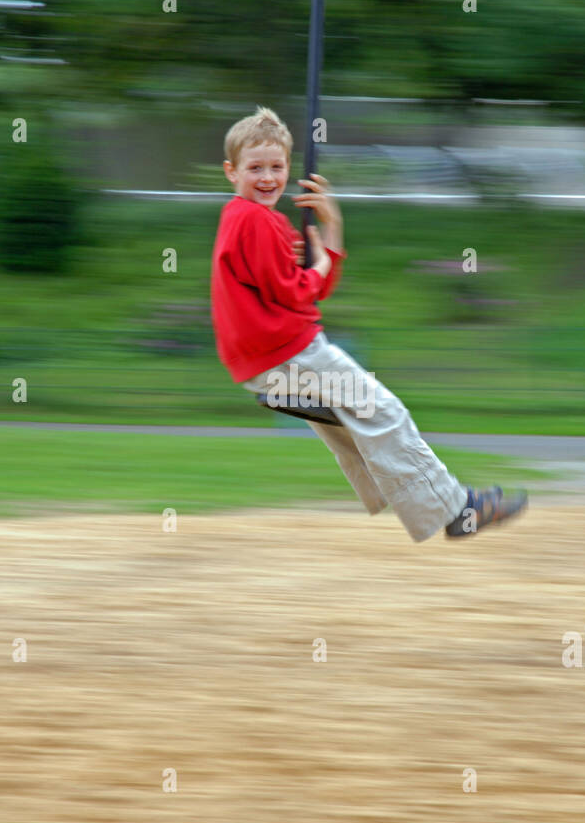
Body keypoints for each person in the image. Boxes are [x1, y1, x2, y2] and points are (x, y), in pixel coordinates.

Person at [209, 106, 528, 542]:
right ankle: (457, 509)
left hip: (264, 362)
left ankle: (414, 498)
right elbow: (297, 290)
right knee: (385, 413)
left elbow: (313, 287)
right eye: (255, 168)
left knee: (355, 421)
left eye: (277, 166)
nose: (267, 177)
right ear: (231, 171)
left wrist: (331, 228)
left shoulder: (257, 221)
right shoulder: (254, 219)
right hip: (289, 351)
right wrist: (317, 267)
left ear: (289, 167)